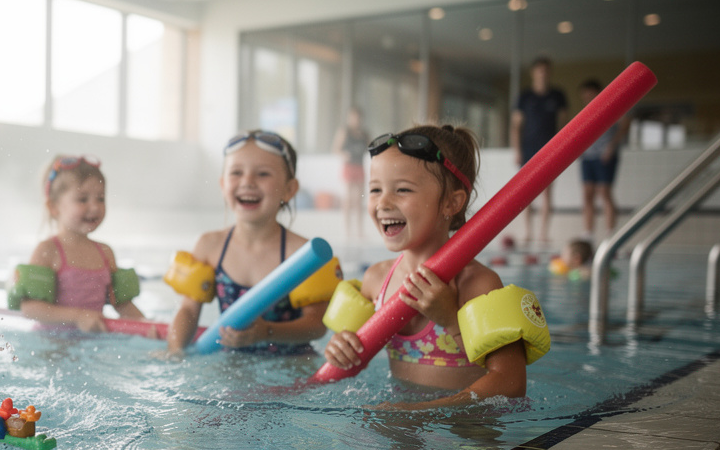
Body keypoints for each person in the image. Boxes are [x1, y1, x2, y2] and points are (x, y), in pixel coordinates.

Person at [323, 125, 528, 409]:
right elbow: (351, 361)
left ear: (451, 203)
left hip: (466, 425)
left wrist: (450, 319)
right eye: (375, 189)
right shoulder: (376, 279)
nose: (383, 202)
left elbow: (511, 383)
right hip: (401, 418)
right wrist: (341, 348)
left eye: (402, 190)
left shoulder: (477, 284)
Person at [166, 130, 331, 357]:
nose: (247, 182)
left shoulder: (302, 254)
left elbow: (316, 325)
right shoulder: (210, 246)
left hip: (291, 364)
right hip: (233, 364)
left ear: (289, 189)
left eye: (263, 174)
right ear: (223, 185)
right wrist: (175, 351)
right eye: (236, 172)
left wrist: (267, 332)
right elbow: (188, 310)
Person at [17, 155, 145, 332]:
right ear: (54, 207)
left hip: (94, 342)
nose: (95, 207)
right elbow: (30, 308)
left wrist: (149, 328)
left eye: (100, 198)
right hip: (51, 344)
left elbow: (122, 304)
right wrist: (78, 316)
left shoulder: (105, 252)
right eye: (83, 199)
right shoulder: (48, 250)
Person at [511, 57, 568, 245]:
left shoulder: (557, 95)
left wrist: (562, 149)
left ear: (550, 72)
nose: (543, 74)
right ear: (533, 73)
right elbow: (516, 126)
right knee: (526, 193)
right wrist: (517, 150)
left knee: (547, 193)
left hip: (550, 150)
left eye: (546, 70)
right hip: (528, 150)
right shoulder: (525, 97)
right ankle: (528, 232)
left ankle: (543, 234)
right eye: (539, 70)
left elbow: (564, 125)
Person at [578, 78, 628, 237]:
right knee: (587, 193)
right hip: (587, 156)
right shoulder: (585, 112)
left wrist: (612, 146)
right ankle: (588, 233)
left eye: (590, 95)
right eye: (585, 97)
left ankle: (610, 233)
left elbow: (625, 124)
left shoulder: (611, 108)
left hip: (605, 156)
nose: (587, 99)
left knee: (604, 192)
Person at [332, 106, 370, 243]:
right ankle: (347, 231)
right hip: (349, 167)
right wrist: (344, 154)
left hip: (359, 167)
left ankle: (359, 231)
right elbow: (336, 149)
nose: (355, 120)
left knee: (359, 200)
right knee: (348, 199)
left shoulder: (364, 134)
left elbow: (371, 148)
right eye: (353, 117)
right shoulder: (344, 131)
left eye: (357, 117)